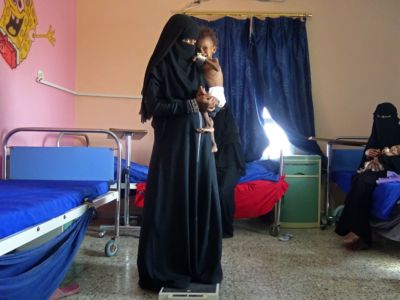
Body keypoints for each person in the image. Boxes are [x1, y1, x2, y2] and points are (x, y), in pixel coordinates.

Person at [137, 14, 223, 291]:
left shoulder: (198, 68)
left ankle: (199, 266)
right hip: (172, 150)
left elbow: (215, 105)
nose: (188, 46)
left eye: (192, 42)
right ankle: (166, 267)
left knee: (202, 202)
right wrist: (191, 105)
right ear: (171, 41)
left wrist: (211, 102)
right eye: (183, 41)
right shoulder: (158, 69)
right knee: (170, 205)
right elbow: (155, 108)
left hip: (200, 149)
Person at [196, 26, 246, 238]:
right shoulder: (199, 75)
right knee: (214, 188)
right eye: (200, 48)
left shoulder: (212, 65)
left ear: (214, 48)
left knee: (225, 190)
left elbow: (212, 67)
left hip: (225, 132)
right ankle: (214, 228)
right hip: (215, 136)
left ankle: (225, 230)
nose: (204, 52)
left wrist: (199, 59)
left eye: (206, 48)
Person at [335, 102, 400, 249]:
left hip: (394, 170)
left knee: (364, 182)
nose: (382, 122)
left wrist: (383, 159)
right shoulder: (376, 134)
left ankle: (358, 232)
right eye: (379, 118)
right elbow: (366, 157)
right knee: (358, 179)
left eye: (387, 118)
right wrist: (368, 153)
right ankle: (355, 229)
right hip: (375, 170)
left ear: (395, 119)